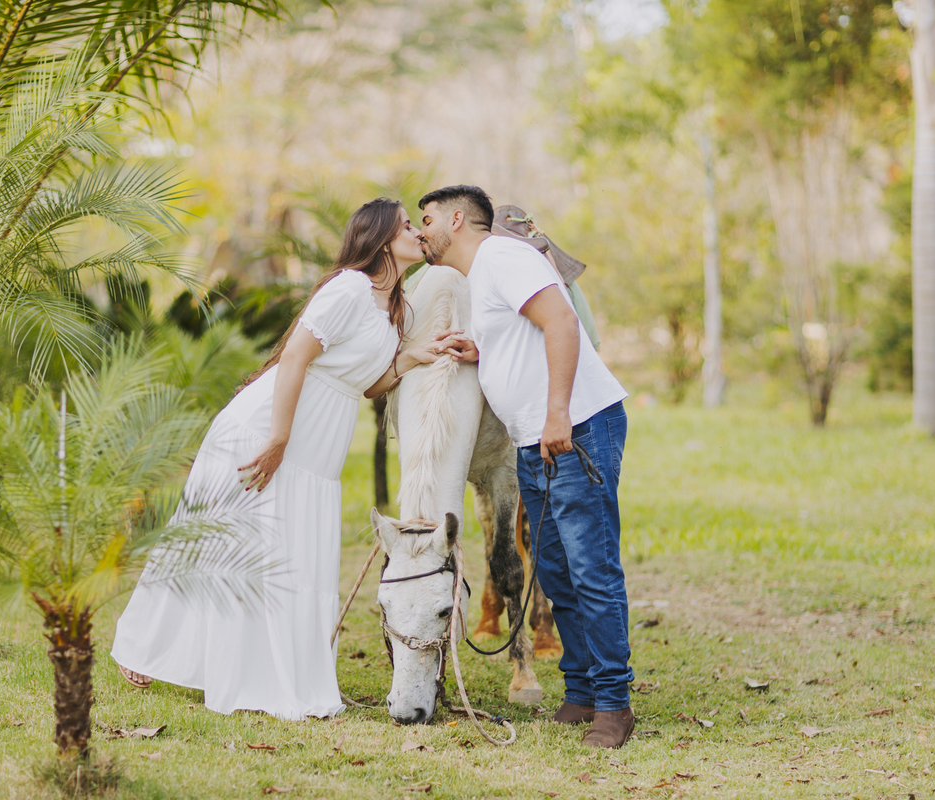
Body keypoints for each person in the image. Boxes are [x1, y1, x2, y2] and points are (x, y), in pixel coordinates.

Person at [111, 198, 471, 720]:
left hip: (320, 445)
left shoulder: (394, 308)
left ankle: (276, 673)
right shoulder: (347, 288)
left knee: (291, 558)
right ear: (380, 239)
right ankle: (143, 645)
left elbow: (364, 384)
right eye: (407, 225)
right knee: (217, 543)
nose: (418, 232)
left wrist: (413, 356)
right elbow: (297, 357)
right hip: (267, 430)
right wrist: (278, 439)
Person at [416, 185, 635, 749]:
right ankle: (581, 690)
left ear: (457, 219)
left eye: (427, 220)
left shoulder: (504, 257)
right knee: (556, 569)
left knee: (591, 568)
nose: (420, 232)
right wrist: (482, 352)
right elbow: (524, 336)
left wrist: (559, 412)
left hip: (574, 430)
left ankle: (614, 703)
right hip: (535, 441)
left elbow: (561, 322)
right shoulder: (484, 274)